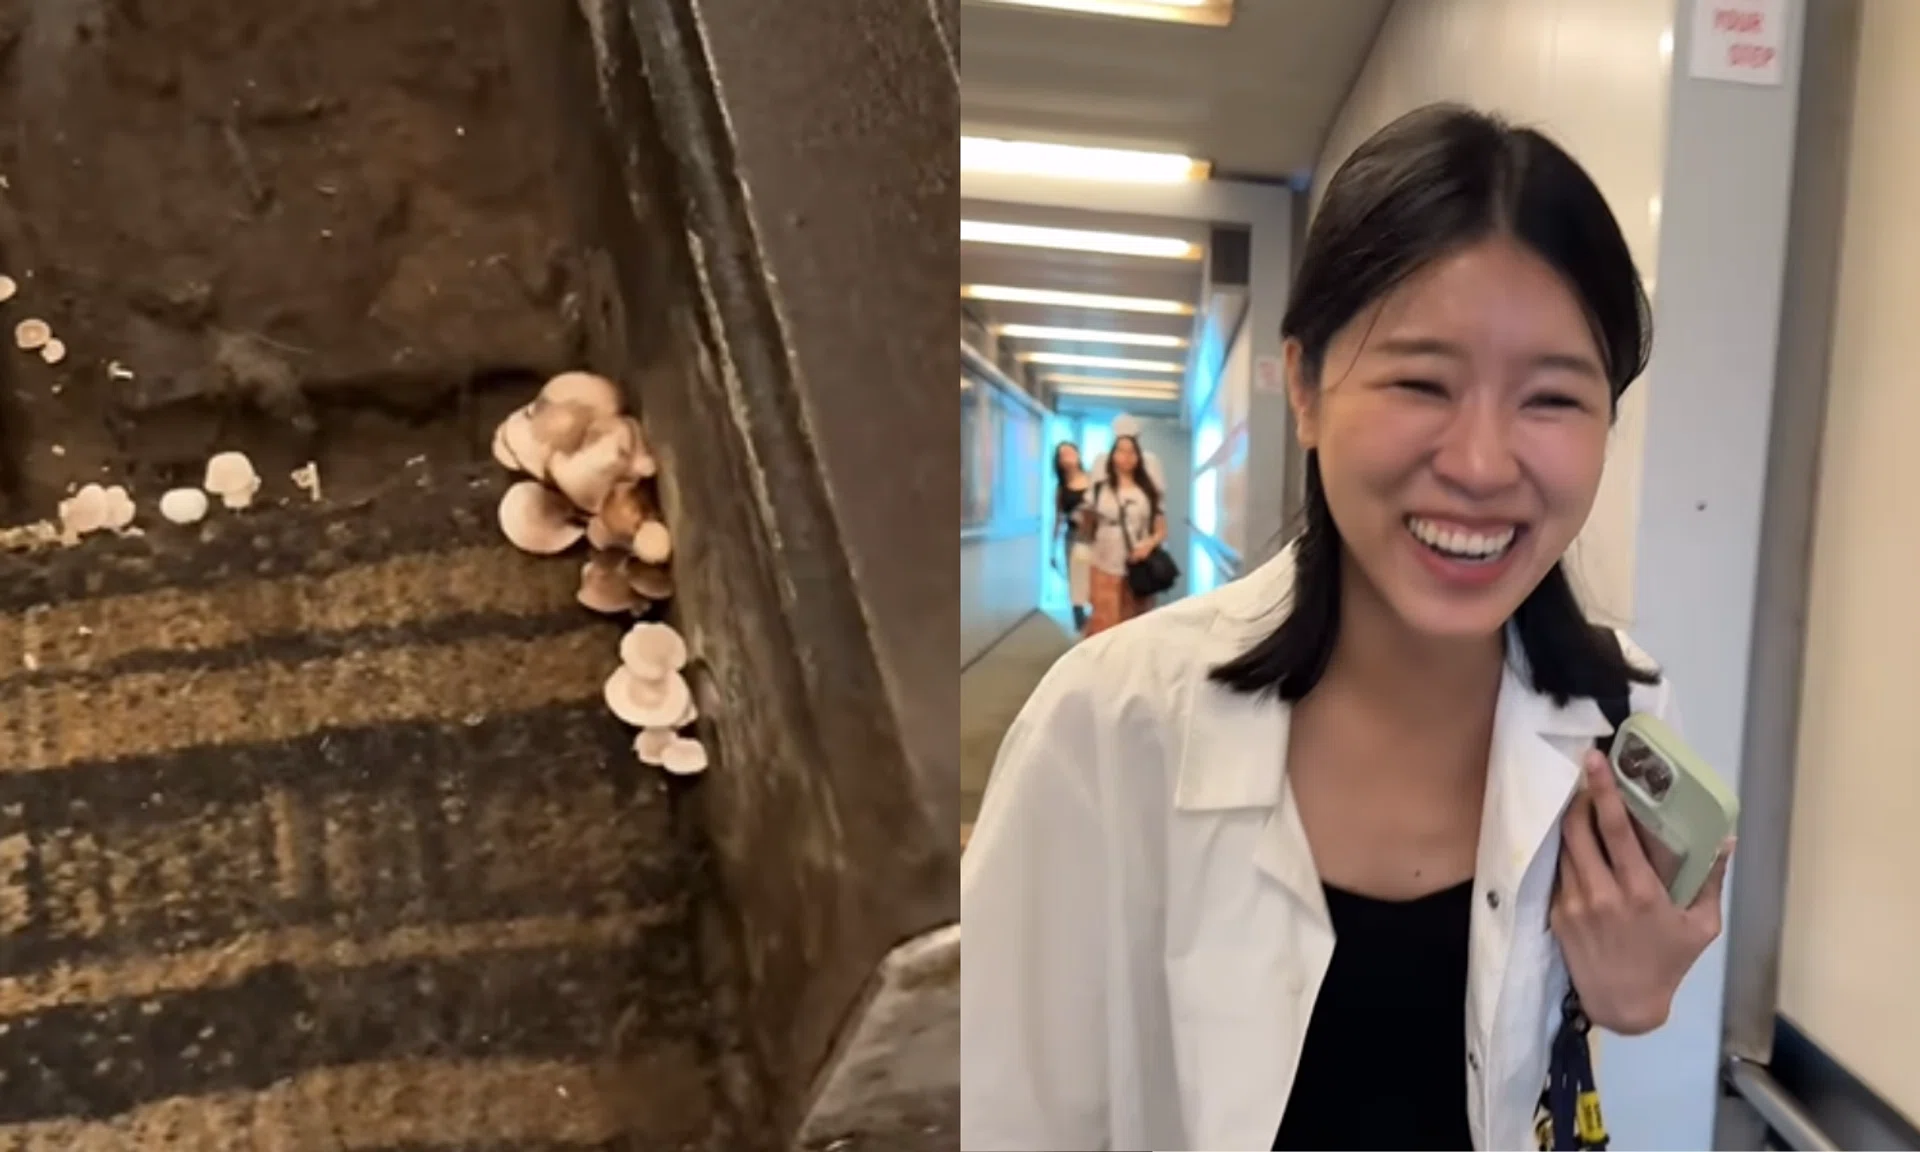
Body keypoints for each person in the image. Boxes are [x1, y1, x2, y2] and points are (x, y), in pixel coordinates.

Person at [961, 104, 1732, 1152]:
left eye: (1551, 399)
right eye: (1421, 382)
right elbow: (1007, 1111)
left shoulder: (1625, 717)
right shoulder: (1112, 726)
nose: (1479, 463)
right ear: (1306, 387)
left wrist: (1637, 1006)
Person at [1081, 433, 1167, 636]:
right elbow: (1086, 524)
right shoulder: (1099, 489)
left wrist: (1148, 545)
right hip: (1104, 562)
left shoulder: (1148, 491)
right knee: (1104, 621)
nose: (1126, 456)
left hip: (1137, 565)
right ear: (1112, 456)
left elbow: (1161, 529)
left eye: (1131, 452)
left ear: (1138, 457)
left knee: (1135, 623)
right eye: (1121, 450)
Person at [1053, 441, 1096, 632]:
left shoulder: (1093, 480)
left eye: (1070, 452)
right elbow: (1058, 517)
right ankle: (1080, 625)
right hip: (1072, 537)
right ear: (1059, 462)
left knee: (1095, 579)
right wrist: (1052, 548)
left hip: (1095, 537)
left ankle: (1097, 622)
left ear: (1078, 455)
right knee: (1076, 583)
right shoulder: (1061, 488)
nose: (1068, 457)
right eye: (1063, 455)